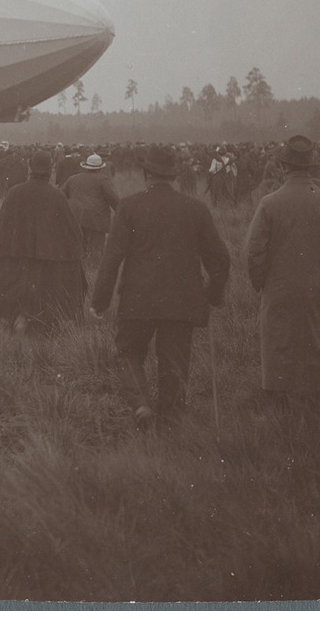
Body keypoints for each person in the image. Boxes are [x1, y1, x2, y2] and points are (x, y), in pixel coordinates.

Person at [91, 146, 231, 430]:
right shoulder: (196, 208)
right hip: (183, 301)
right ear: (174, 176)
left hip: (138, 298)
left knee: (128, 353)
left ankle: (141, 403)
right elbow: (220, 259)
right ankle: (170, 424)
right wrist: (213, 295)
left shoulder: (129, 206)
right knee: (174, 362)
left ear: (146, 174)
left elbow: (111, 258)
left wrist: (100, 301)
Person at [243, 136, 320, 403]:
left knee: (278, 343)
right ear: (312, 167)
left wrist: (262, 283)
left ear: (283, 167)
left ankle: (277, 401)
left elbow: (253, 251)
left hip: (279, 288)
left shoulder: (269, 203)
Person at [0, 151, 86, 333]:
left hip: (17, 254)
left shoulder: (15, 192)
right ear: (51, 169)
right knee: (45, 291)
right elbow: (70, 229)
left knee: (18, 290)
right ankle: (40, 323)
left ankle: (18, 319)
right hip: (47, 256)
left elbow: (2, 225)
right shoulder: (56, 195)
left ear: (30, 167)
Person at [63, 153, 120, 283]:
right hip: (96, 221)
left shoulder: (72, 179)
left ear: (86, 167)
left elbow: (61, 195)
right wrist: (122, 215)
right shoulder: (103, 180)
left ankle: (78, 276)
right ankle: (92, 277)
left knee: (78, 249)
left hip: (75, 219)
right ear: (99, 168)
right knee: (95, 251)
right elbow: (114, 201)